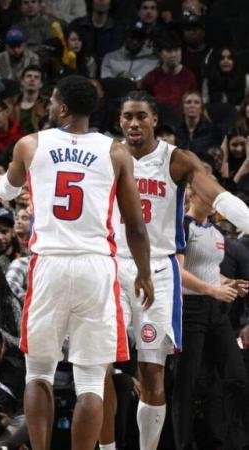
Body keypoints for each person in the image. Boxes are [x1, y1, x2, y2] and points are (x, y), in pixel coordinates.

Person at [0, 75, 154, 450]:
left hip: (49, 263)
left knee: (39, 374)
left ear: (62, 107)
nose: (47, 106)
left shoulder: (30, 145)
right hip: (96, 267)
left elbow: (8, 189)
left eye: (51, 100)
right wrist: (144, 273)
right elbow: (137, 226)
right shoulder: (115, 151)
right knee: (93, 381)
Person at [100, 90, 249, 450]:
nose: (134, 123)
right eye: (127, 117)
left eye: (141, 116)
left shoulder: (176, 160)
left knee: (153, 373)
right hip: (109, 264)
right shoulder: (105, 156)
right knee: (98, 366)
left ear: (154, 121)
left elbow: (216, 196)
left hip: (158, 270)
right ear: (120, 121)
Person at [173, 186, 249, 450]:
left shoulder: (216, 232)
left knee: (237, 376)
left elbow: (209, 272)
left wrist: (230, 282)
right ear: (193, 195)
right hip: (189, 308)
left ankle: (232, 441)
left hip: (214, 309)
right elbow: (177, 272)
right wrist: (213, 289)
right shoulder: (181, 225)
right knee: (186, 382)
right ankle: (183, 444)